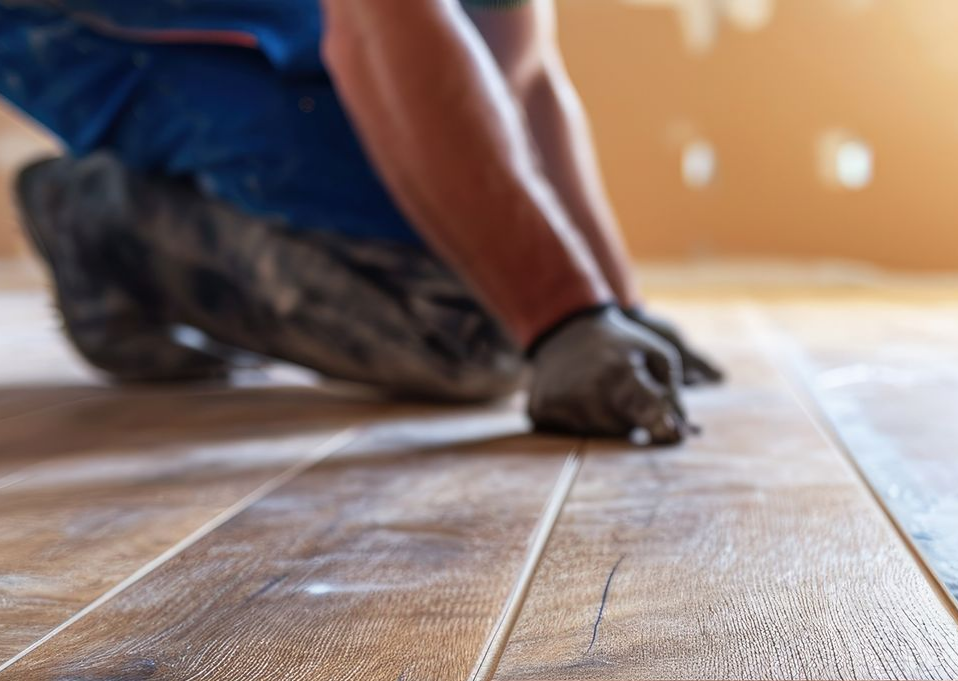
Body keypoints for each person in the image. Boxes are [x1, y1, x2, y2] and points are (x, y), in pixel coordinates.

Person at [0, 0, 721, 442]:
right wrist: (560, 321)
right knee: (471, 325)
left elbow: (520, 73)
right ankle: (97, 218)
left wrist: (613, 304)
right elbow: (379, 27)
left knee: (495, 257)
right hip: (91, 24)